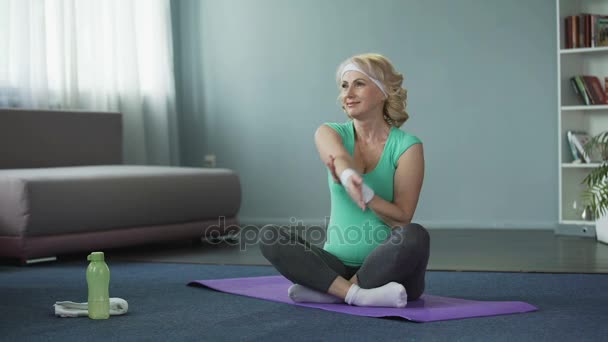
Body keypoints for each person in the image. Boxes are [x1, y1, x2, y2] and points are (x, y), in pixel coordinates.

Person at [259, 53, 429, 308]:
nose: (348, 93)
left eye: (359, 83)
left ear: (383, 92)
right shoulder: (329, 132)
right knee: (268, 236)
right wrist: (349, 176)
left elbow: (402, 216)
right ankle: (356, 295)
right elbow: (338, 156)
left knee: (415, 236)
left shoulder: (407, 146)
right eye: (344, 85)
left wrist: (368, 196)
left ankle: (331, 291)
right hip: (335, 263)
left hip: (393, 269)